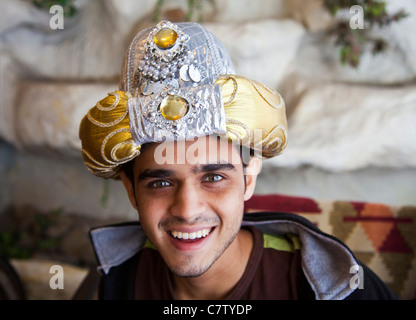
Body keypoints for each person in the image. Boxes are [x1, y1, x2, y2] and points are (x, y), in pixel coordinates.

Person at [78, 20, 397, 300]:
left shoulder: (334, 286)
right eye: (161, 182)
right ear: (131, 189)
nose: (188, 210)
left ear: (248, 176)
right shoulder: (120, 277)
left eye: (213, 177)